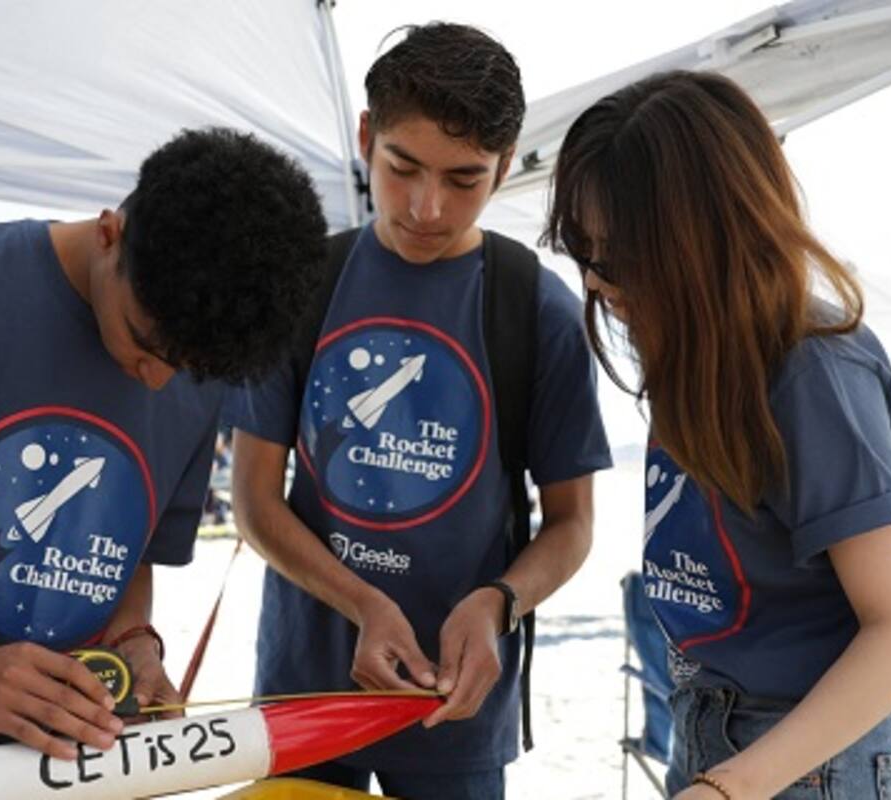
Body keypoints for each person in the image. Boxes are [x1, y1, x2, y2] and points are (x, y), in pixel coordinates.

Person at [0, 127, 328, 790]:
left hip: (63, 765)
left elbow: (126, 550)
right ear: (108, 234)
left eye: (185, 369)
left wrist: (134, 643)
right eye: (144, 344)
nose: (155, 381)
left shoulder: (196, 366)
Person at [229, 23, 611, 800]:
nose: (427, 208)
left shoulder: (536, 309)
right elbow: (254, 503)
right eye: (402, 168)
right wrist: (364, 603)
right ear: (367, 137)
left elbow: (572, 525)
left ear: (505, 167)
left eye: (464, 179)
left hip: (456, 711)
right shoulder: (299, 283)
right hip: (306, 694)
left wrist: (498, 603)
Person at [544, 70, 891, 800]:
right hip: (715, 742)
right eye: (586, 252)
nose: (598, 285)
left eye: (619, 258)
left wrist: (735, 785)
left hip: (817, 767)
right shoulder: (692, 354)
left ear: (704, 239)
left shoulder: (812, 369)